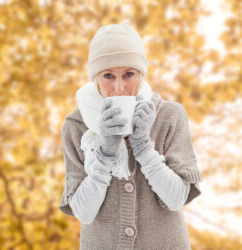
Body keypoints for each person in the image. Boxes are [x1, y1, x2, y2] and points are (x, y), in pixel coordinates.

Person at [58, 22, 203, 250]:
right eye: (108, 75)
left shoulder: (169, 116)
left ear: (141, 74)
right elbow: (84, 214)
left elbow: (176, 199)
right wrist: (104, 153)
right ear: (94, 77)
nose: (119, 88)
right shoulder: (76, 127)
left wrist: (144, 147)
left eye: (128, 74)